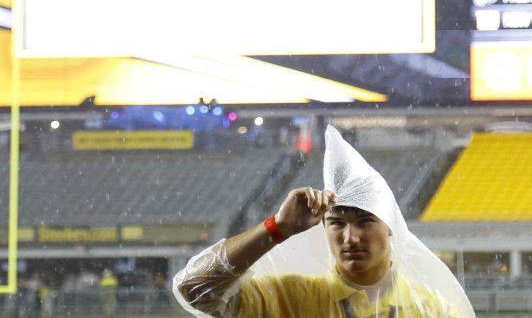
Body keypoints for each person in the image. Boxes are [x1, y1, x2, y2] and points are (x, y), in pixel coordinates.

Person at [173, 126, 474, 317]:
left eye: (364, 222)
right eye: (337, 223)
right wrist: (277, 227)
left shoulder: (432, 310)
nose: (350, 237)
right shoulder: (291, 298)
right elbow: (193, 289)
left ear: (390, 225)